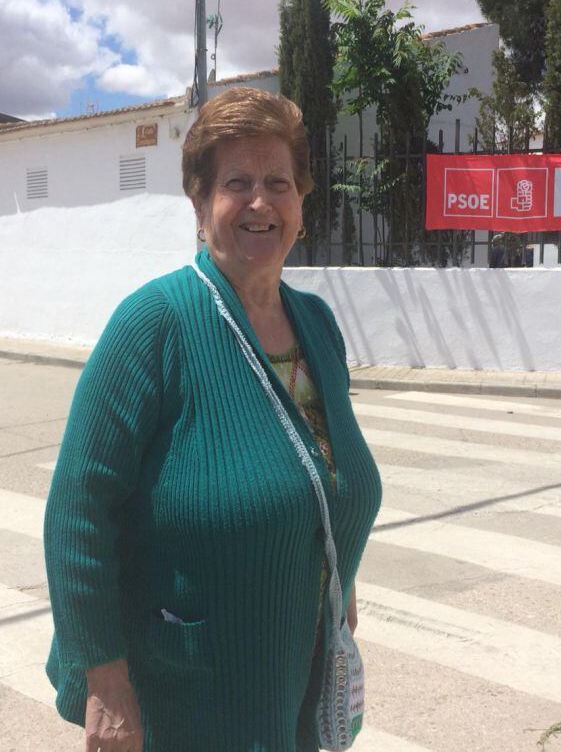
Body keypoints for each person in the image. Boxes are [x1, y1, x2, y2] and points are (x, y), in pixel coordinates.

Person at [44, 86, 382, 752]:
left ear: (302, 203)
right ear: (200, 205)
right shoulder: (154, 325)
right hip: (191, 695)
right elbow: (77, 513)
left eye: (278, 182)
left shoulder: (316, 327)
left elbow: (323, 480)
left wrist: (339, 587)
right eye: (237, 183)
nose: (261, 202)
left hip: (299, 672)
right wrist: (105, 684)